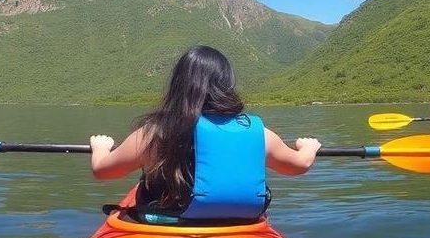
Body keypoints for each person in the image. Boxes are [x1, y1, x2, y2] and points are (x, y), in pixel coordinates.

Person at [88, 46, 322, 224]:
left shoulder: (155, 133)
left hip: (169, 224)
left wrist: (100, 147)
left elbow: (103, 171)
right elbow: (299, 165)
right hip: (238, 225)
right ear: (227, 84)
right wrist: (308, 147)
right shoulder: (258, 132)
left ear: (178, 84)